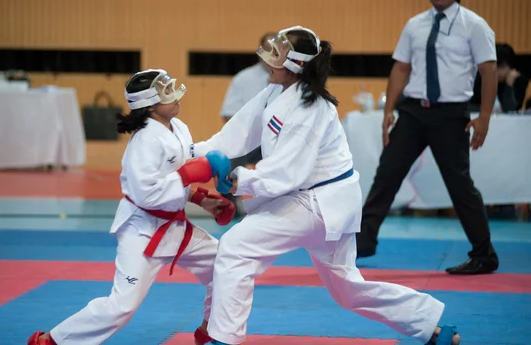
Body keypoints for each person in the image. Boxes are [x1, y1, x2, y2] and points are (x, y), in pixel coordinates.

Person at [192, 26, 460, 345]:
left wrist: (240, 180)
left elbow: (288, 174)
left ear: (297, 65)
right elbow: (233, 136)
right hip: (317, 201)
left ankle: (225, 337)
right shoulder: (273, 92)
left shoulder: (312, 107)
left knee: (236, 246)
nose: (269, 64)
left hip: (318, 203)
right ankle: (431, 326)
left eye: (277, 58)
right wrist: (189, 154)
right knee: (347, 289)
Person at [27, 69, 236, 345]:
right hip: (143, 230)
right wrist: (189, 175)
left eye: (171, 87)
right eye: (166, 92)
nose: (174, 95)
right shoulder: (144, 142)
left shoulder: (179, 128)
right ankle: (50, 341)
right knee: (121, 307)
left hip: (174, 226)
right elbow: (147, 194)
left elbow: (177, 170)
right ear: (150, 105)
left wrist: (200, 198)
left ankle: (214, 328)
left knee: (226, 265)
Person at [356, 0, 500, 275]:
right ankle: (364, 241)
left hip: (451, 115)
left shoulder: (474, 25)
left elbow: (488, 72)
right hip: (412, 111)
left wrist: (485, 116)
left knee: (459, 185)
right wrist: (388, 111)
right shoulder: (415, 25)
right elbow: (401, 68)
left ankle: (484, 254)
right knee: (387, 173)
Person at [219, 32, 276, 217]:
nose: (272, 54)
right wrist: (243, 135)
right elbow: (228, 112)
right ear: (260, 52)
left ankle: (280, 206)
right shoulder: (244, 78)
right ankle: (229, 209)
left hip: (278, 139)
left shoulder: (291, 78)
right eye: (268, 50)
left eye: (277, 50)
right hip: (247, 138)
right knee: (223, 164)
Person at [471, 43, 529, 112]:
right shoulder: (481, 77)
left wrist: (509, 86)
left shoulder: (520, 80)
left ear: (511, 67)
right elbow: (469, 106)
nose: (496, 71)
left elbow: (511, 110)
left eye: (502, 67)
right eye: (494, 66)